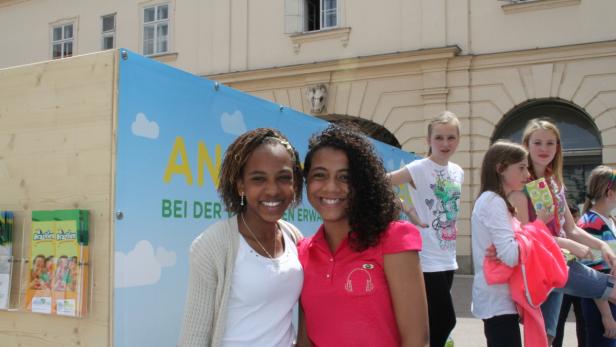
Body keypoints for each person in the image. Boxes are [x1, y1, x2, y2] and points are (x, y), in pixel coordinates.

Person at [298, 125, 428, 347]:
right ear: (307, 182)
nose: (331, 187)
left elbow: (417, 341)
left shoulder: (393, 239)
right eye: (319, 175)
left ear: (363, 184)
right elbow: (305, 339)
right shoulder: (303, 251)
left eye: (345, 177)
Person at [179, 128, 304, 347]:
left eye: (283, 178)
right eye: (259, 179)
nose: (272, 190)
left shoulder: (293, 236)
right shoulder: (212, 245)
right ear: (240, 186)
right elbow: (194, 336)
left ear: (294, 184)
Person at [508, 118, 616, 344]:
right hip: (543, 266)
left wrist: (603, 246)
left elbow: (571, 228)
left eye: (551, 143)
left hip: (557, 263)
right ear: (526, 145)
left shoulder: (554, 182)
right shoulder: (521, 186)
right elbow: (530, 238)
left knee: (546, 335)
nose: (544, 149)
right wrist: (570, 244)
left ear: (558, 147)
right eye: (538, 143)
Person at [387, 110, 463, 347]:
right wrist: (407, 210)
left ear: (458, 140)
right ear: (428, 140)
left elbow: (448, 207)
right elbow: (381, 182)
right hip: (425, 255)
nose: (445, 143)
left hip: (448, 255)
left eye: (451, 137)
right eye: (439, 137)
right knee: (446, 319)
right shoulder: (418, 168)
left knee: (431, 320)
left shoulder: (458, 171)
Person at [471, 140, 529, 347]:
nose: (527, 174)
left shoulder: (492, 200)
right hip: (498, 300)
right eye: (521, 167)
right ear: (500, 169)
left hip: (498, 298)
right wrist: (527, 241)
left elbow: (509, 251)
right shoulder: (493, 202)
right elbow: (511, 255)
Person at [577, 166, 616, 346]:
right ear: (610, 192)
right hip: (603, 308)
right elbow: (593, 274)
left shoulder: (610, 220)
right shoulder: (590, 223)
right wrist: (607, 315)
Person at [553, 203, 586, 347]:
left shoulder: (580, 231)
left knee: (582, 320)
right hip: (563, 279)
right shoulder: (561, 233)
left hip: (578, 281)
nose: (573, 219)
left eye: (575, 216)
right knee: (558, 320)